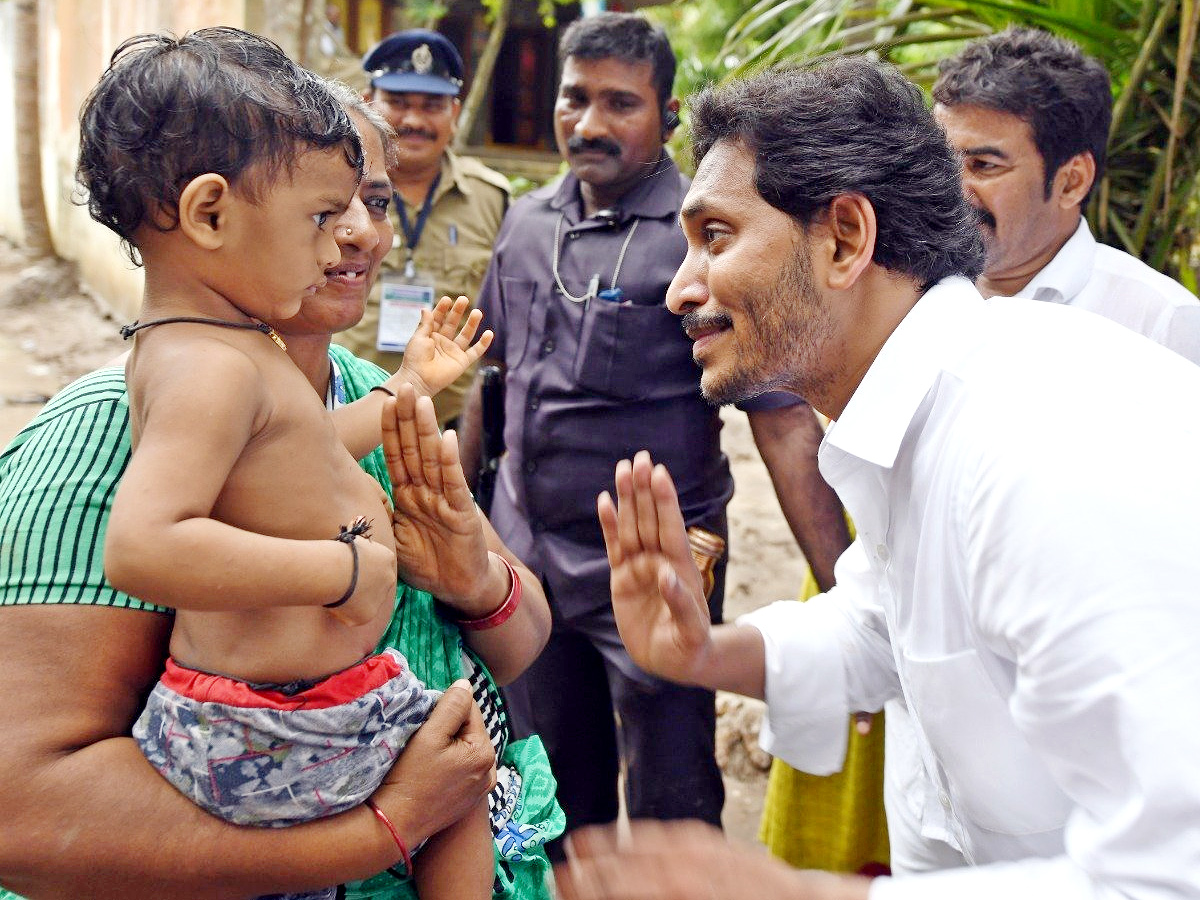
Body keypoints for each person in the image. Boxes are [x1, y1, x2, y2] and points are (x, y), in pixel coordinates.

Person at [562, 58, 1200, 899]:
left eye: (715, 236)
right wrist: (702, 652)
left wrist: (803, 894)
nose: (680, 289)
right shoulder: (917, 418)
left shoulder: (1041, 443)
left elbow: (1172, 873)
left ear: (845, 239)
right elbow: (882, 630)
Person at [0, 51, 561, 900]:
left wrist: (474, 581)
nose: (361, 233)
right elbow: (26, 813)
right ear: (213, 213)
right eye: (326, 210)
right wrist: (384, 828)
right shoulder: (99, 439)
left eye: (374, 202)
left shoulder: (374, 398)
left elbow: (520, 647)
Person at [457, 11, 846, 853]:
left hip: (660, 565)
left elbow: (782, 429)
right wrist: (460, 524)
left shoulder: (704, 237)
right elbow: (492, 385)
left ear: (667, 116)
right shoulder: (526, 225)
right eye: (574, 99)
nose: (589, 124)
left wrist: (849, 590)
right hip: (531, 559)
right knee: (553, 786)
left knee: (674, 798)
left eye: (619, 104)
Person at [933, 27, 1199, 360]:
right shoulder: (909, 292)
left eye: (984, 165)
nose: (951, 186)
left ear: (1072, 181)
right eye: (941, 158)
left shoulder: (1161, 323)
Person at [339, 28, 512, 428]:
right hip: (341, 415)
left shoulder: (492, 199)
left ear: (454, 111)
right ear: (368, 103)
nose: (414, 120)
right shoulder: (332, 192)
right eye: (397, 103)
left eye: (432, 105)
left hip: (449, 425)